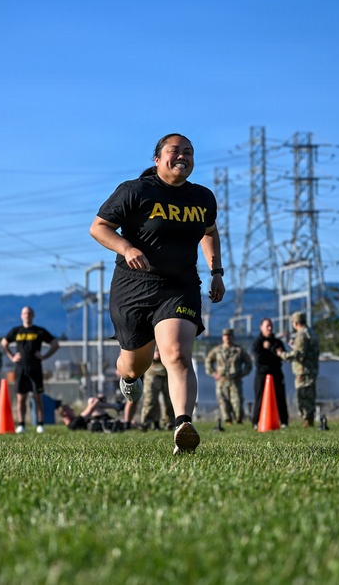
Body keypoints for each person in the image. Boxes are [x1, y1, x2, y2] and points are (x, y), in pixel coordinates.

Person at [89, 132, 223, 455]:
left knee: (177, 353)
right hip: (134, 287)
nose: (183, 156)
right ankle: (128, 377)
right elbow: (99, 227)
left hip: (180, 287)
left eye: (189, 152)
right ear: (157, 158)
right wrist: (126, 248)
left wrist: (216, 271)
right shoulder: (135, 191)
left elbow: (209, 231)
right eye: (175, 151)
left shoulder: (202, 197)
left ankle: (183, 426)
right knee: (136, 365)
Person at [1, 306, 59, 434]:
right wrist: (12, 357)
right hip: (20, 368)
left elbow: (55, 344)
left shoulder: (39, 331)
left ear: (33, 315)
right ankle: (21, 424)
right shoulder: (16, 331)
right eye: (25, 313)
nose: (27, 315)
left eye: (29, 313)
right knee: (21, 398)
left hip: (35, 368)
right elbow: (4, 343)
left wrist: (44, 356)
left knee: (37, 397)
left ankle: (40, 424)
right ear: (21, 316)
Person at [277, 311, 320, 428]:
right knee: (310, 394)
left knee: (303, 395)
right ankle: (309, 419)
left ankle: (307, 420)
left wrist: (282, 355)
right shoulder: (311, 332)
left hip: (303, 370)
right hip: (311, 369)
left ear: (295, 323)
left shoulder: (301, 335)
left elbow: (298, 354)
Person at [205, 328, 252, 427]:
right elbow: (208, 361)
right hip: (221, 380)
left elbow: (249, 363)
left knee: (237, 401)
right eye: (225, 336)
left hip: (235, 380)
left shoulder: (238, 350)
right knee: (223, 402)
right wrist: (213, 373)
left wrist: (243, 374)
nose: (227, 338)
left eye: (229, 336)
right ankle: (227, 421)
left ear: (233, 337)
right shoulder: (217, 350)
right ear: (223, 337)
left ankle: (238, 420)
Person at [251, 317, 288, 428]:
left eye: (271, 326)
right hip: (262, 374)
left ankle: (284, 421)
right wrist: (270, 353)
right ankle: (256, 421)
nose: (270, 328)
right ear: (261, 327)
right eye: (267, 326)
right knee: (260, 397)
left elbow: (283, 356)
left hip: (276, 373)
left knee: (280, 397)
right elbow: (258, 359)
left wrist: (273, 352)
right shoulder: (257, 343)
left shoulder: (277, 342)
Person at [140, 346, 175, 430]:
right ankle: (145, 423)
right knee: (150, 399)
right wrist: (151, 354)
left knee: (169, 400)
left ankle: (169, 423)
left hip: (168, 372)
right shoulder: (149, 339)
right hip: (152, 373)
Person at [60, 395, 126, 432]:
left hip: (101, 420)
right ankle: (117, 406)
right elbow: (90, 408)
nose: (72, 410)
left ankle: (117, 406)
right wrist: (97, 400)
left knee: (92, 401)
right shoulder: (73, 424)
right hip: (103, 422)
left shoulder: (73, 423)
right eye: (69, 409)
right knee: (91, 400)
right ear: (65, 413)